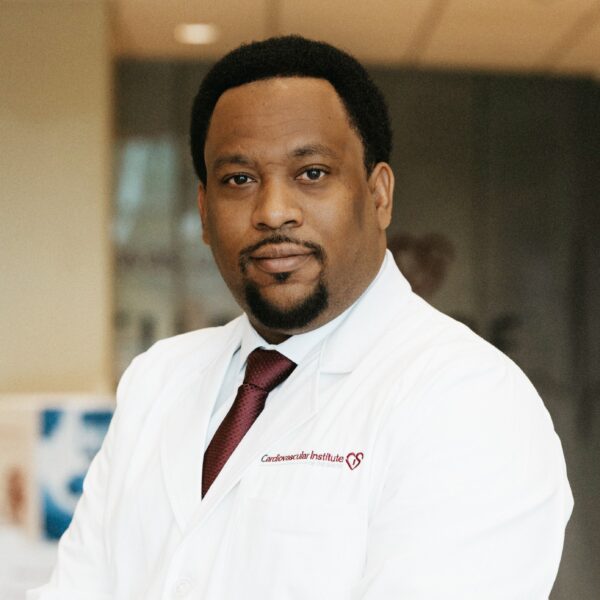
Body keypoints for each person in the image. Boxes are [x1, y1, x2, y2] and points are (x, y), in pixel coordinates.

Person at [30, 35, 573, 600]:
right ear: (203, 211)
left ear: (379, 194)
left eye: (312, 173)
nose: (273, 212)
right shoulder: (158, 379)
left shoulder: (467, 400)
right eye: (239, 180)